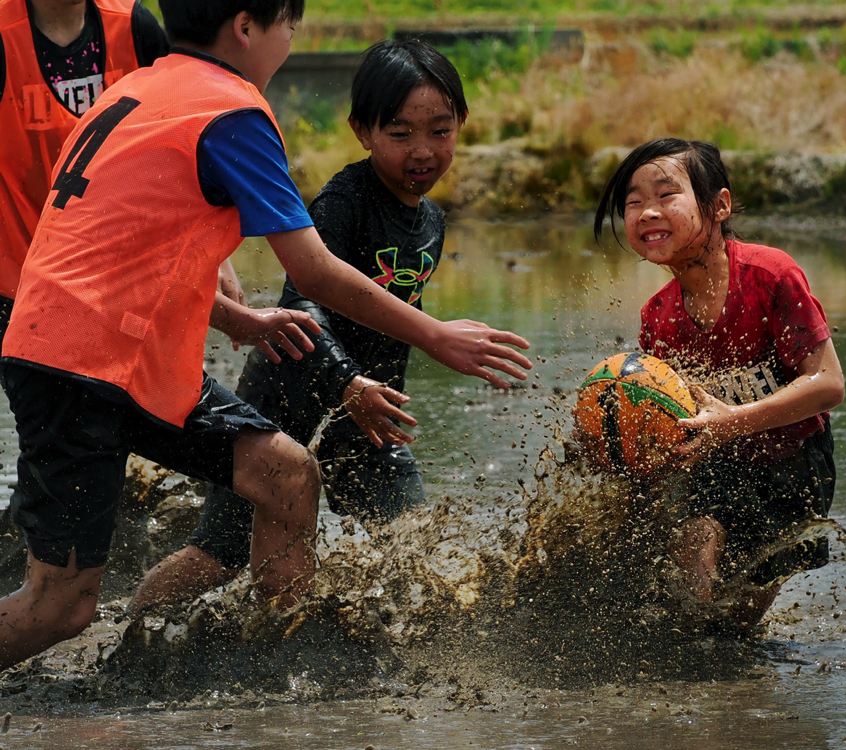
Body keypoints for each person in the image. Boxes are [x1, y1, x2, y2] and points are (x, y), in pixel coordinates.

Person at [0, 0, 532, 672]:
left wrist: (238, 321)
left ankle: (281, 659)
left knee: (286, 474)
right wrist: (435, 336)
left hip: (93, 352)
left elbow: (121, 249)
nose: (290, 41)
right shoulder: (231, 112)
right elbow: (310, 269)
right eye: (290, 27)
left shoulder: (135, 89)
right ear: (248, 26)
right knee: (59, 609)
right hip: (83, 367)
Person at [130, 38, 470, 610]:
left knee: (420, 547)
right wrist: (349, 383)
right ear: (362, 131)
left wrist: (374, 390)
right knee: (220, 553)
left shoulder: (431, 217)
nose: (423, 151)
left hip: (366, 422)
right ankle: (132, 632)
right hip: (285, 399)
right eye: (400, 133)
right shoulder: (344, 201)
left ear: (461, 124)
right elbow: (304, 303)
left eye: (440, 131)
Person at [593, 138, 845, 628]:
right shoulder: (658, 317)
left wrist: (733, 421)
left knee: (737, 623)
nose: (647, 212)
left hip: (795, 464)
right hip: (716, 462)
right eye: (633, 202)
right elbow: (670, 415)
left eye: (666, 195)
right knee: (692, 586)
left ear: (719, 205)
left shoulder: (770, 275)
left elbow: (828, 384)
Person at [0, 0, 169, 336]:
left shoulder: (135, 26)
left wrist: (219, 263)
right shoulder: (5, 35)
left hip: (120, 276)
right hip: (18, 281)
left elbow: (180, 144)